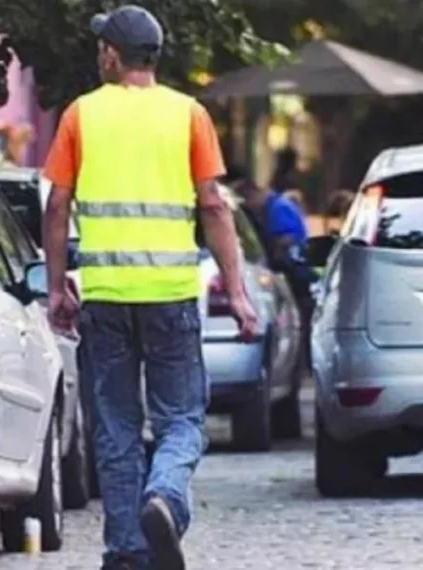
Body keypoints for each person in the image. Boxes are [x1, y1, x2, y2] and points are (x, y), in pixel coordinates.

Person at [40, 6, 259, 570]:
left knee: (114, 429)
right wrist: (235, 293)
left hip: (106, 295)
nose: (98, 55)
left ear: (113, 55)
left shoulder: (80, 115)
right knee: (182, 419)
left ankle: (127, 553)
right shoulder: (189, 115)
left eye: (101, 48)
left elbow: (58, 203)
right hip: (170, 293)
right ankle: (165, 497)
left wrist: (57, 285)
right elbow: (212, 203)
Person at [226, 163, 316, 379]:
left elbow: (286, 242)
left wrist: (274, 257)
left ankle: (303, 368)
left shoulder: (278, 209)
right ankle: (302, 369)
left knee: (297, 327)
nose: (252, 209)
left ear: (252, 194)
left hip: (295, 279)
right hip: (297, 277)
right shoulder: (281, 206)